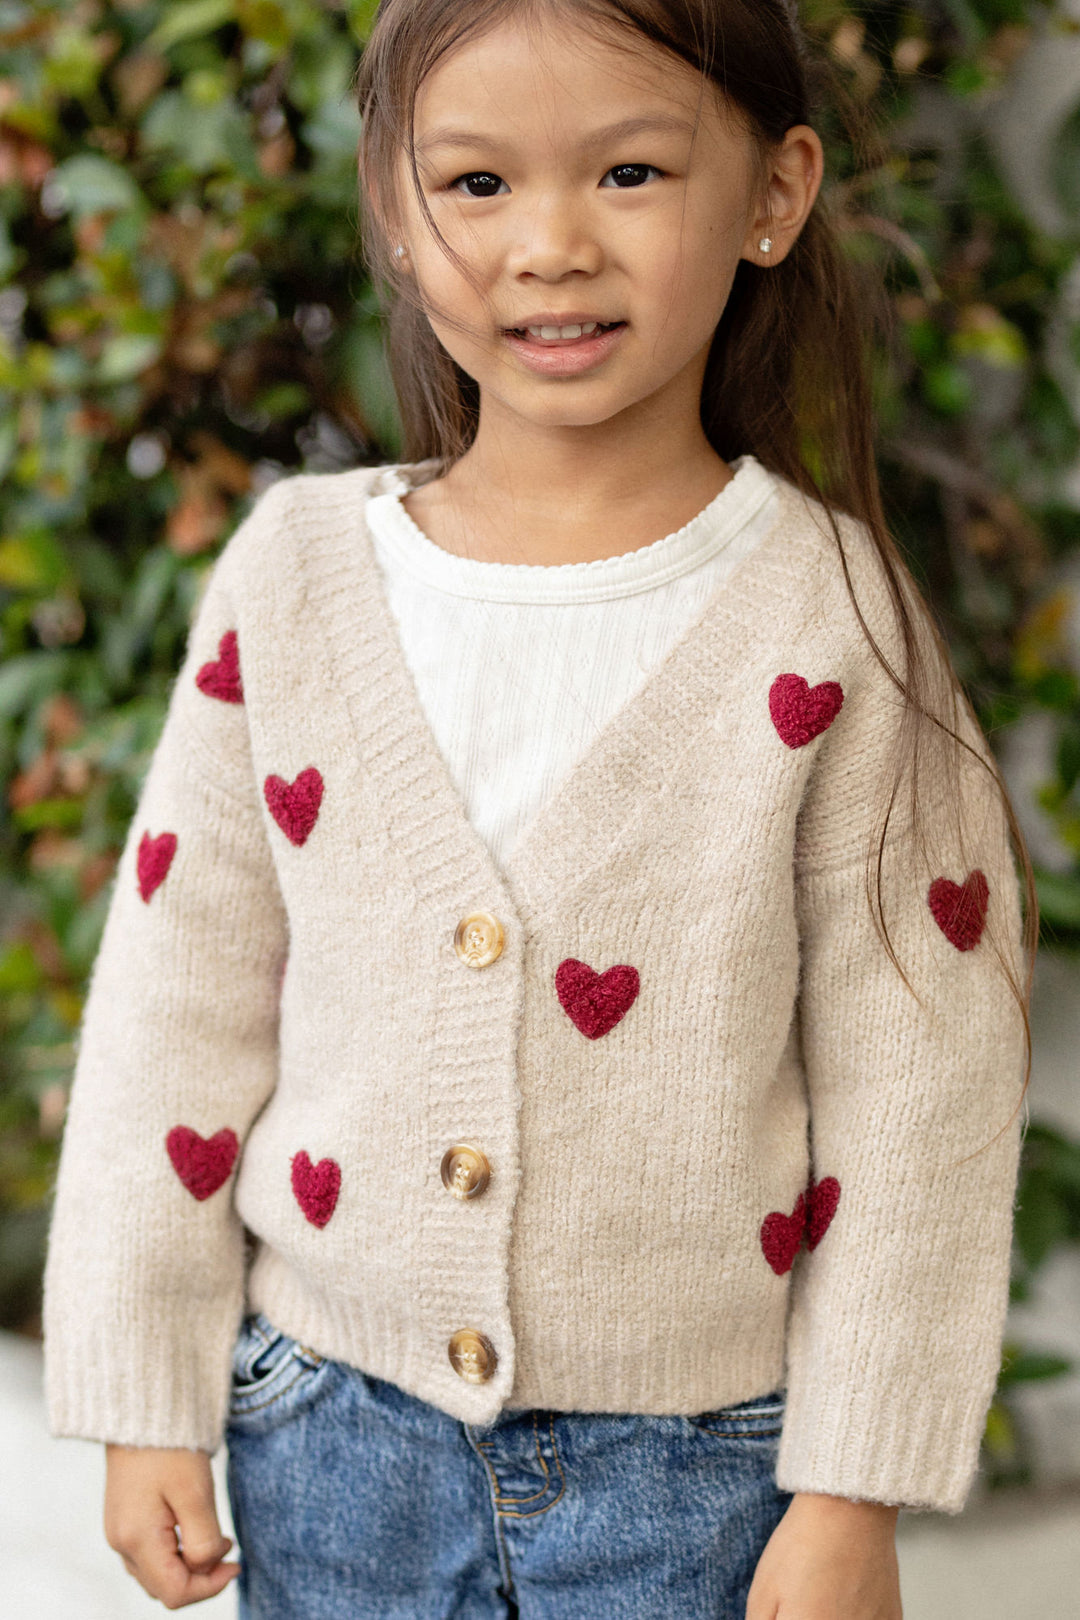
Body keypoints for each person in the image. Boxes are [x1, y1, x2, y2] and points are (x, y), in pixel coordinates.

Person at [42, 1, 1037, 1616]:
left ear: (775, 194)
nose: (552, 245)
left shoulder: (837, 624)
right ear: (394, 210)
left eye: (631, 171)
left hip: (700, 1479)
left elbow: (922, 1091)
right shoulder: (293, 580)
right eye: (479, 184)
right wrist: (141, 1385)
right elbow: (177, 1004)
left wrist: (855, 1486)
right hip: (326, 1441)